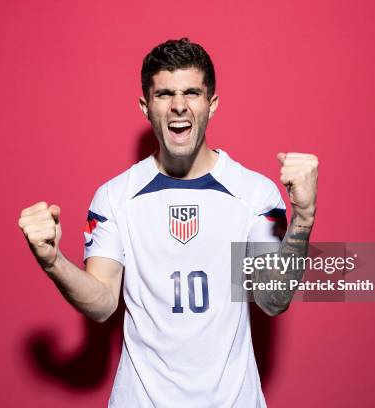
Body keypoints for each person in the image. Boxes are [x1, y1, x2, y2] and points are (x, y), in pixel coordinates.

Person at [18, 38, 318, 407]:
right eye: (164, 94)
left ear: (212, 104)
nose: (179, 105)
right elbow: (102, 302)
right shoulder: (115, 197)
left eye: (192, 92)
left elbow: (272, 299)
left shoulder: (254, 193)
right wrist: (53, 262)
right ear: (146, 106)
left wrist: (303, 219)